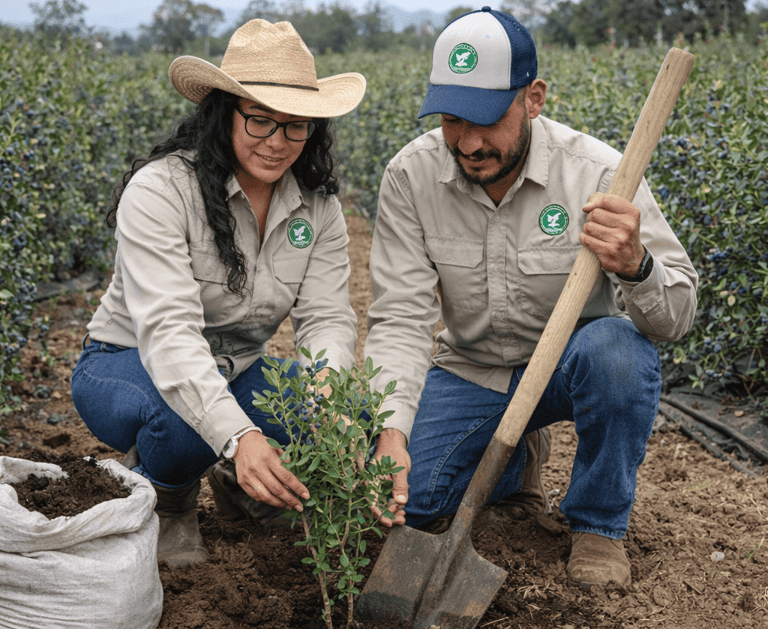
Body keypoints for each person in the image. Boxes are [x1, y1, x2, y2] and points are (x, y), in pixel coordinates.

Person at [364, 7, 698, 589]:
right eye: (451, 120)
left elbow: (677, 318)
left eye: (487, 119)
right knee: (410, 504)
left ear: (533, 98)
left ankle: (597, 523)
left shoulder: (599, 173)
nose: (468, 142)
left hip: (570, 365)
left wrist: (635, 265)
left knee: (619, 352)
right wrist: (390, 431)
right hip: (470, 370)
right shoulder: (411, 176)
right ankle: (518, 465)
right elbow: (398, 315)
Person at [71, 19, 366, 568]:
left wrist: (328, 395)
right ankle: (171, 501)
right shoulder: (162, 190)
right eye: (259, 120)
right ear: (223, 111)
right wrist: (240, 436)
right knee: (182, 420)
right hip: (127, 363)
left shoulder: (318, 208)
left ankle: (240, 483)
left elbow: (326, 316)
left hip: (237, 368)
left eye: (295, 127)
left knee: (352, 417)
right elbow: (170, 335)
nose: (277, 143)